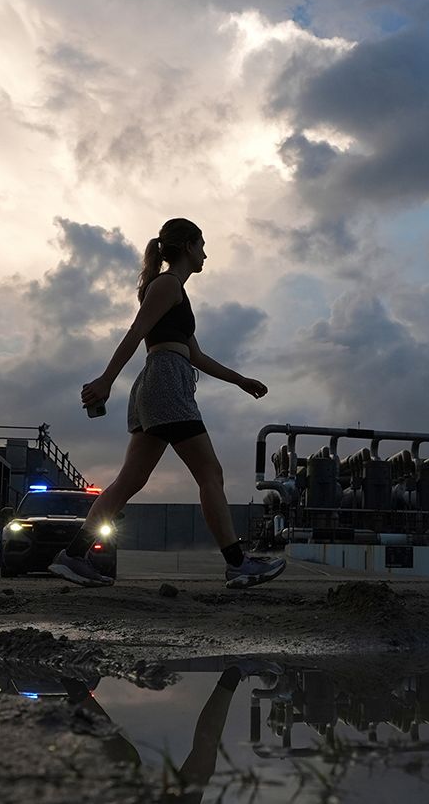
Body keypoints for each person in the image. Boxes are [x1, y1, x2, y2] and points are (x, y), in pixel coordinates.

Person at [51, 217, 286, 590]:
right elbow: (136, 332)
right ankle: (237, 564)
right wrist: (106, 380)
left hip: (159, 385)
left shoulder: (175, 291)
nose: (206, 254)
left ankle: (74, 557)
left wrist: (240, 380)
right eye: (202, 245)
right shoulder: (167, 285)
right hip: (164, 384)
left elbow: (197, 355)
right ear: (189, 246)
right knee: (211, 474)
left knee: (130, 480)